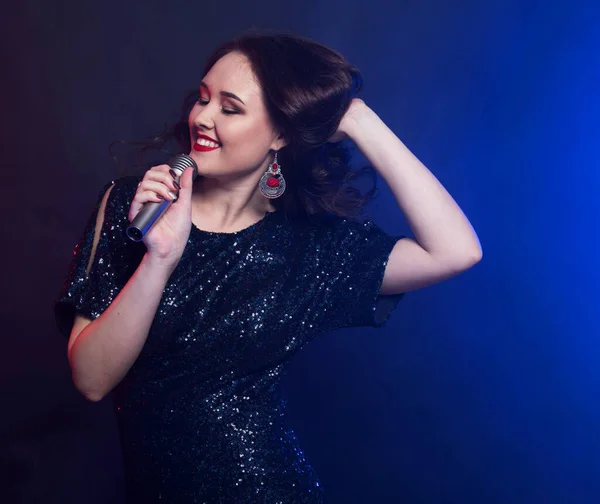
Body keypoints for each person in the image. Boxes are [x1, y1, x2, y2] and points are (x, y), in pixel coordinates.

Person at [55, 33, 482, 503]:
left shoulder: (311, 250)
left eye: (230, 108)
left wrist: (361, 120)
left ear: (281, 134)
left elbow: (455, 250)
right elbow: (91, 381)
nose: (202, 117)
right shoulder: (131, 206)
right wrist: (159, 258)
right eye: (202, 98)